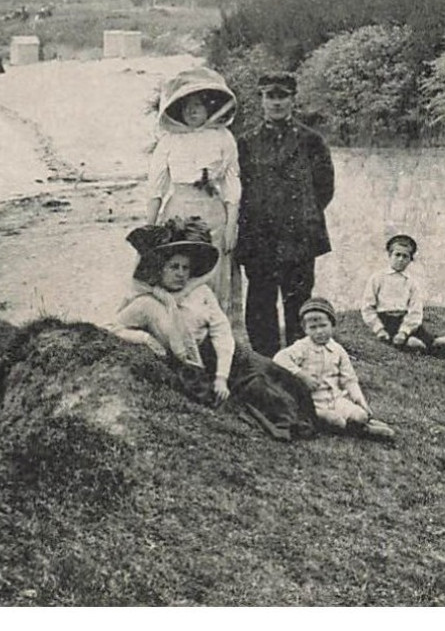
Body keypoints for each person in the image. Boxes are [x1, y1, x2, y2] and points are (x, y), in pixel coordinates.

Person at [107, 217, 317, 442]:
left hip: (228, 356)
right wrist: (144, 338)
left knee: (275, 373)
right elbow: (111, 327)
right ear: (160, 269)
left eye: (185, 268)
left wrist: (221, 377)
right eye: (174, 267)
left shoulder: (201, 292)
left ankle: (324, 414)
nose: (181, 273)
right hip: (201, 362)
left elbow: (222, 331)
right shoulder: (147, 304)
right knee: (259, 388)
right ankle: (300, 424)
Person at [235, 72, 335, 353]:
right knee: (260, 302)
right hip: (259, 237)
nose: (276, 103)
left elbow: (324, 188)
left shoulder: (311, 141)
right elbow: (238, 189)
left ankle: (299, 359)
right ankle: (265, 362)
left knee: (298, 301)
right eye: (270, 96)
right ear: (261, 100)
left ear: (293, 99)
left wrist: (301, 216)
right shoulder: (245, 143)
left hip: (299, 236)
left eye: (282, 96)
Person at [143, 68, 241, 317]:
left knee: (214, 271)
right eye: (186, 105)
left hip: (213, 213)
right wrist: (150, 227)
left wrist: (231, 225)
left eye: (198, 105)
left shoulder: (223, 137)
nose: (192, 110)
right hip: (179, 211)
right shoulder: (169, 141)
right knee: (179, 269)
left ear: (209, 108)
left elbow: (231, 183)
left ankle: (215, 332)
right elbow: (156, 187)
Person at [273, 297, 396, 441]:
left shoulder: (338, 350)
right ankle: (363, 430)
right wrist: (302, 375)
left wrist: (360, 400)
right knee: (336, 421)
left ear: (332, 325)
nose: (319, 332)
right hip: (313, 403)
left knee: (360, 415)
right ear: (305, 329)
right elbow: (279, 358)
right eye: (313, 328)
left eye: (323, 326)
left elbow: (349, 379)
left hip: (335, 399)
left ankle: (363, 425)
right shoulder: (302, 347)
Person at [360, 234, 445, 363]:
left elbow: (415, 311)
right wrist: (379, 329)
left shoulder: (411, 283)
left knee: (438, 342)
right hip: (386, 321)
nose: (400, 259)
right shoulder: (377, 278)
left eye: (405, 256)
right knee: (415, 345)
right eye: (397, 255)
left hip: (406, 320)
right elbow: (367, 307)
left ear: (410, 260)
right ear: (389, 255)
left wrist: (404, 331)